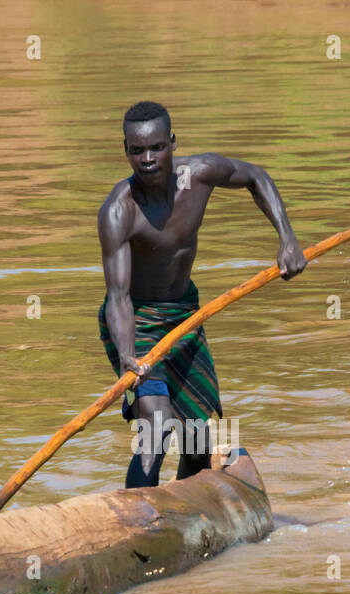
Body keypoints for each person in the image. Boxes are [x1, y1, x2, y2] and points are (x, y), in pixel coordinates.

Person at [98, 100, 306, 488]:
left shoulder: (200, 174)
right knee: (156, 431)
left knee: (197, 440)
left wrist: (287, 239)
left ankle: (186, 508)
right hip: (137, 322)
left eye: (156, 147)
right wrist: (128, 356)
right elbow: (119, 297)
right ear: (125, 151)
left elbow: (255, 177)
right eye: (136, 150)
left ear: (172, 143)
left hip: (185, 316)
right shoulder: (119, 211)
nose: (147, 159)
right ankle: (138, 519)